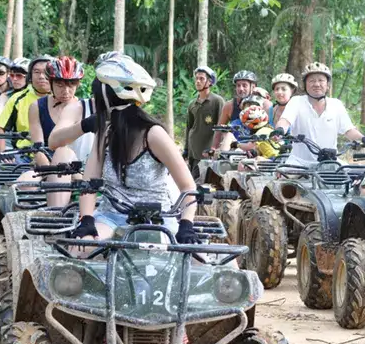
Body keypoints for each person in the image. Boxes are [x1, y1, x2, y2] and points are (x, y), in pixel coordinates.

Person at [63, 52, 199, 245]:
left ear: (106, 99)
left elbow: (188, 187)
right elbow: (89, 182)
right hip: (111, 217)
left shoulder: (154, 134)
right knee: (81, 248)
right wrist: (87, 219)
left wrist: (186, 225)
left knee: (202, 259)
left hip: (157, 219)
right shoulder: (105, 133)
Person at [274, 62, 365, 166]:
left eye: (321, 80)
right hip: (298, 163)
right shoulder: (296, 101)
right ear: (305, 85)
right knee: (283, 180)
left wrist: (364, 139)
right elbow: (285, 121)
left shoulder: (336, 104)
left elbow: (349, 130)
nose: (317, 84)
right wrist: (279, 130)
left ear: (327, 85)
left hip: (330, 162)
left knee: (355, 177)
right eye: (312, 81)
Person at [27, 55, 93, 166]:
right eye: (60, 85)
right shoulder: (37, 107)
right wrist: (49, 174)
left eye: (71, 85)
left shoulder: (85, 107)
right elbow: (38, 148)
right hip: (47, 166)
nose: (66, 91)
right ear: (51, 83)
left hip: (81, 166)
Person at [0, 54, 54, 152]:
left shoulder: (64, 99)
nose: (42, 76)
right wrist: (3, 154)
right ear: (30, 76)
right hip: (24, 155)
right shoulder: (17, 98)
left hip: (57, 154)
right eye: (37, 72)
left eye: (47, 72)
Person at [211, 70, 270, 151]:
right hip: (234, 147)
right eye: (238, 85)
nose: (241, 89)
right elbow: (219, 130)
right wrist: (213, 148)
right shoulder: (229, 106)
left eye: (244, 85)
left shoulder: (264, 103)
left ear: (253, 86)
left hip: (257, 146)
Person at [184, 65, 224, 176]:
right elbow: (189, 127)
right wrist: (186, 149)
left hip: (208, 154)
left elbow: (222, 127)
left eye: (201, 78)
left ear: (210, 82)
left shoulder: (217, 101)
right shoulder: (192, 104)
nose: (197, 81)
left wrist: (218, 149)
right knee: (193, 184)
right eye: (196, 78)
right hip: (193, 152)